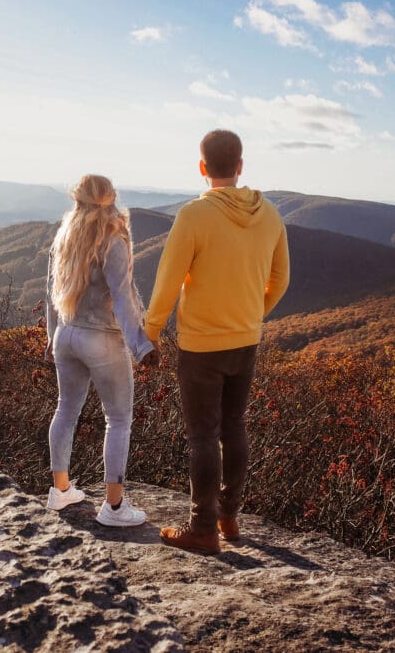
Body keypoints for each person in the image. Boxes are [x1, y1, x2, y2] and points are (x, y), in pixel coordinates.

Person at [145, 130, 290, 554]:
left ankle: (202, 529)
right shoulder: (271, 215)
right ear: (240, 166)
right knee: (234, 427)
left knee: (203, 436)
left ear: (203, 167)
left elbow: (168, 280)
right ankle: (229, 516)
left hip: (201, 343)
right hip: (246, 339)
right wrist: (252, 313)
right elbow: (281, 279)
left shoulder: (194, 215)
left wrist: (150, 332)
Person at [44, 174, 157, 526]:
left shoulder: (64, 236)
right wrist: (142, 346)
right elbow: (123, 298)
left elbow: (51, 294)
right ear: (112, 199)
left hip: (66, 333)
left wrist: (52, 338)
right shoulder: (113, 239)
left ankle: (60, 491)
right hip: (101, 338)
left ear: (77, 200)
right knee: (118, 418)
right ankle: (114, 507)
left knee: (66, 409)